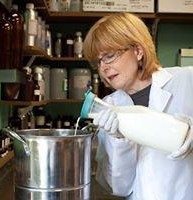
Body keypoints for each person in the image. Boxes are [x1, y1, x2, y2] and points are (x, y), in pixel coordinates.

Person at [83, 12, 193, 200]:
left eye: (109, 55)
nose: (103, 68)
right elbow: (119, 188)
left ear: (138, 51)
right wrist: (119, 141)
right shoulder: (108, 107)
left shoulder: (187, 80)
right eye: (98, 61)